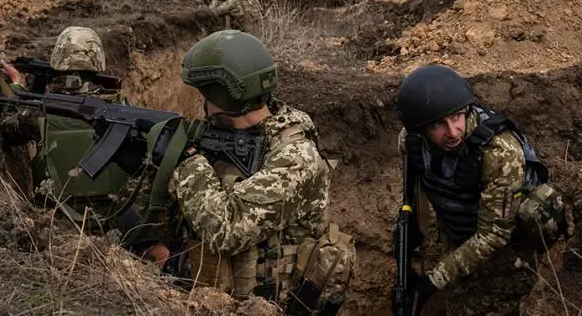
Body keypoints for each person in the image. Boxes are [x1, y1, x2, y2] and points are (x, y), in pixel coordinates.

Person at [152, 30, 355, 313]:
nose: (200, 99)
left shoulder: (296, 157)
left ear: (226, 94)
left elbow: (226, 229)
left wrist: (185, 159)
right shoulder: (222, 136)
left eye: (205, 91)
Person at [395, 64, 571, 315]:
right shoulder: (411, 141)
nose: (453, 131)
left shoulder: (499, 151)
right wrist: (411, 233)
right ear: (421, 129)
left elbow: (496, 234)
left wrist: (434, 280)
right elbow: (416, 192)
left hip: (511, 248)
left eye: (457, 117)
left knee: (461, 310)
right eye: (438, 125)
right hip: (461, 230)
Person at [0, 26, 169, 265]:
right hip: (117, 216)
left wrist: (18, 86)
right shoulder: (121, 107)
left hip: (61, 221)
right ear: (98, 61)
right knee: (159, 254)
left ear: (58, 60)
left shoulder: (38, 113)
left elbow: (7, 127)